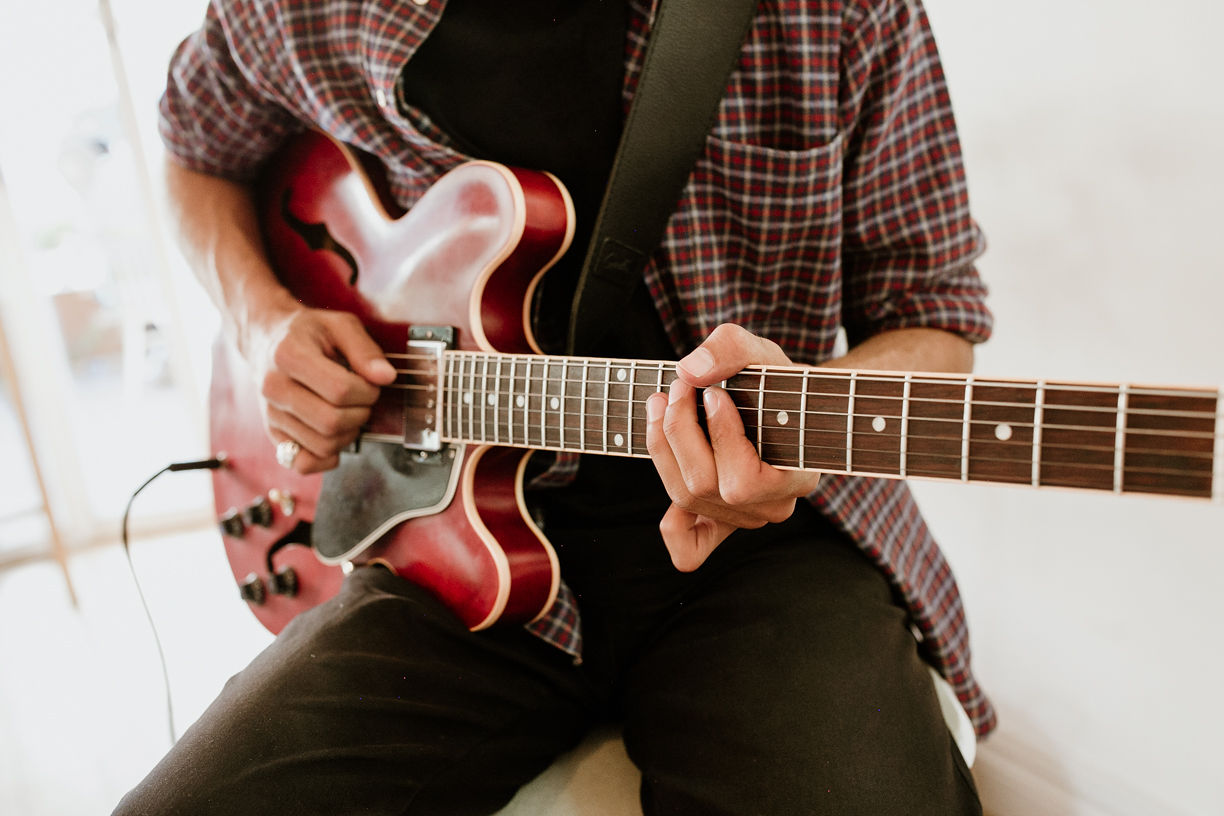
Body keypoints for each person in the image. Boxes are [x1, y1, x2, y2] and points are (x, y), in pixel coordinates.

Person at [116, 0, 994, 813]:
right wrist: (263, 324)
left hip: (767, 545)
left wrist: (797, 426)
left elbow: (933, 312)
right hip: (451, 555)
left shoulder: (832, 10)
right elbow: (198, 150)